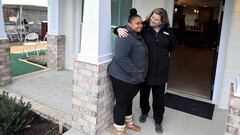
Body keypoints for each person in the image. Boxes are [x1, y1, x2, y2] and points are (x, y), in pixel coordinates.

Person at [114, 8, 176, 134]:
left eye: (156, 19)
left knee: (159, 98)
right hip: (145, 70)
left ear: (162, 22)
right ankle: (144, 112)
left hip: (161, 71)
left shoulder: (169, 32)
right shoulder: (145, 27)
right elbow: (129, 27)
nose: (152, 20)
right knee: (144, 94)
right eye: (152, 17)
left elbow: (172, 47)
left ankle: (158, 121)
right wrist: (117, 29)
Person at [107, 8, 148, 135]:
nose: (140, 25)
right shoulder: (124, 36)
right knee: (121, 103)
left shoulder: (137, 34)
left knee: (128, 100)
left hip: (133, 78)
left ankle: (129, 123)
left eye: (141, 23)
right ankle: (119, 130)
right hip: (123, 77)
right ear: (129, 24)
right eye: (137, 23)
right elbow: (121, 57)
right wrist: (135, 73)